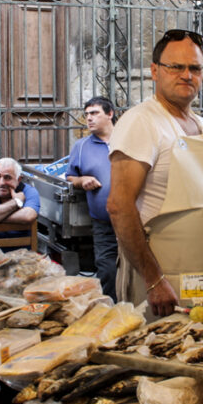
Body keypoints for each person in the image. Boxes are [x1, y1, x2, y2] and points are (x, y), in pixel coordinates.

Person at [107, 29, 203, 318]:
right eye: (176, 67)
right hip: (163, 290)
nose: (187, 75)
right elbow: (118, 206)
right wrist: (154, 280)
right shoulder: (141, 122)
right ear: (155, 71)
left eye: (195, 68)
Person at [66, 96, 119, 301]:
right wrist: (82, 180)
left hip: (134, 218)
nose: (89, 118)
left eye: (94, 113)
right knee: (107, 269)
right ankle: (112, 311)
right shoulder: (81, 146)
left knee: (138, 267)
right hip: (102, 222)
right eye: (87, 114)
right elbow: (70, 176)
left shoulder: (128, 140)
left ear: (110, 114)